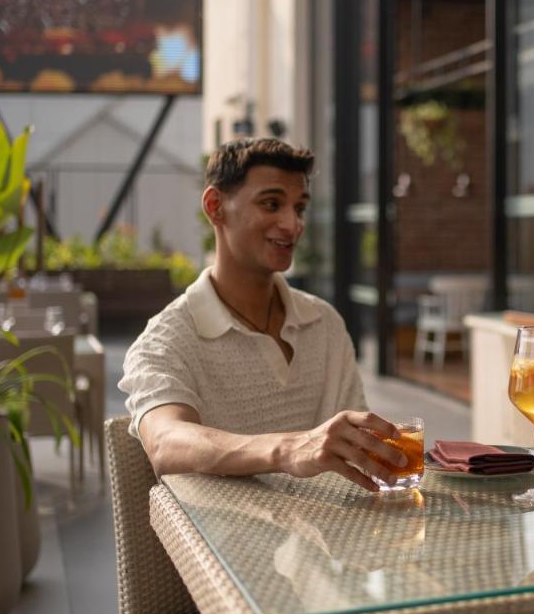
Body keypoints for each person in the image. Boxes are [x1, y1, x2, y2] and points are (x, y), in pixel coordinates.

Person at [120, 137, 406, 491]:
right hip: (218, 542)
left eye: (299, 208)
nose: (292, 224)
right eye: (271, 204)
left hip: (330, 536)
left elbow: (354, 449)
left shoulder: (325, 323)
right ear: (215, 206)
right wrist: (287, 450)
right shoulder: (167, 339)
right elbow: (165, 442)